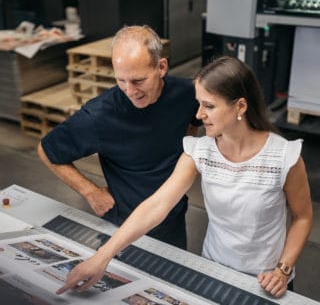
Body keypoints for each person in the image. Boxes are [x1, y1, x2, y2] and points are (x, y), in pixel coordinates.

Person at [55, 56, 313, 299]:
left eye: (209, 106)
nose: (199, 114)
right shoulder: (200, 150)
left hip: (268, 280)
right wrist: (102, 257)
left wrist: (283, 269)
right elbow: (157, 205)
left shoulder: (284, 156)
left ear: (240, 106)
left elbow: (302, 218)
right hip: (214, 271)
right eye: (199, 103)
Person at [37, 25, 201, 249]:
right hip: (124, 226)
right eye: (121, 80)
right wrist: (91, 192)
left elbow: (195, 119)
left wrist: (186, 152)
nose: (130, 90)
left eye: (138, 80)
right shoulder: (99, 115)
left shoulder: (187, 93)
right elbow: (47, 149)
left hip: (173, 219)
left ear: (161, 67)